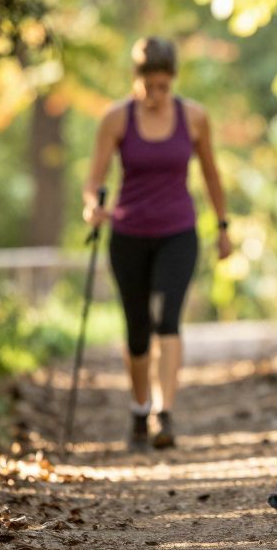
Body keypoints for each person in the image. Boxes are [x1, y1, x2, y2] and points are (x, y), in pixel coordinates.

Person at [84, 36, 233, 451]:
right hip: (128, 234)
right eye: (149, 86)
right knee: (137, 329)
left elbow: (211, 174)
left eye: (163, 87)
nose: (155, 95)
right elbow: (93, 179)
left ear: (173, 81)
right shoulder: (115, 119)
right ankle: (138, 408)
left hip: (178, 232)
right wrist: (91, 206)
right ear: (137, 80)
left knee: (168, 318)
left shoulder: (194, 118)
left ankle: (164, 413)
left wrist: (222, 226)